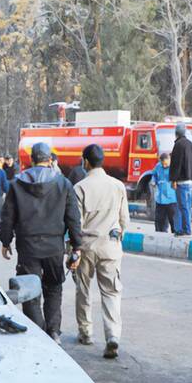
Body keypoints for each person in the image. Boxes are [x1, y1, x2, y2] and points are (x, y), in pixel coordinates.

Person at [0, 142, 83, 340]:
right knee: (54, 288)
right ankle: (53, 331)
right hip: (54, 246)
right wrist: (77, 246)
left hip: (27, 247)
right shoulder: (63, 183)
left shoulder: (17, 184)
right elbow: (73, 217)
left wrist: (5, 241)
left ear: (31, 159)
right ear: (50, 159)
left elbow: (8, 216)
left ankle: (38, 333)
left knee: (30, 291)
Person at [73, 144, 129, 359]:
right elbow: (124, 219)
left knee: (83, 290)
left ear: (85, 161)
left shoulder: (80, 187)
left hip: (87, 246)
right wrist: (118, 237)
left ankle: (86, 332)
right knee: (111, 292)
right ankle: (113, 335)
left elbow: (76, 223)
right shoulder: (117, 186)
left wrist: (73, 250)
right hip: (110, 247)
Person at [169, 123, 192, 236]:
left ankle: (184, 230)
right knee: (187, 206)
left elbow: (176, 164)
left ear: (176, 133)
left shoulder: (178, 145)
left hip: (181, 180)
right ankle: (186, 228)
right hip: (190, 180)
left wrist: (173, 180)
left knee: (182, 206)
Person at [153, 153, 178, 233]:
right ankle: (160, 233)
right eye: (162, 164)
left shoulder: (174, 167)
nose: (164, 166)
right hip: (160, 198)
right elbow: (154, 176)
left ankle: (175, 233)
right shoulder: (158, 166)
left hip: (172, 198)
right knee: (159, 220)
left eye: (166, 164)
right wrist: (153, 182)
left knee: (173, 220)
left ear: (169, 160)